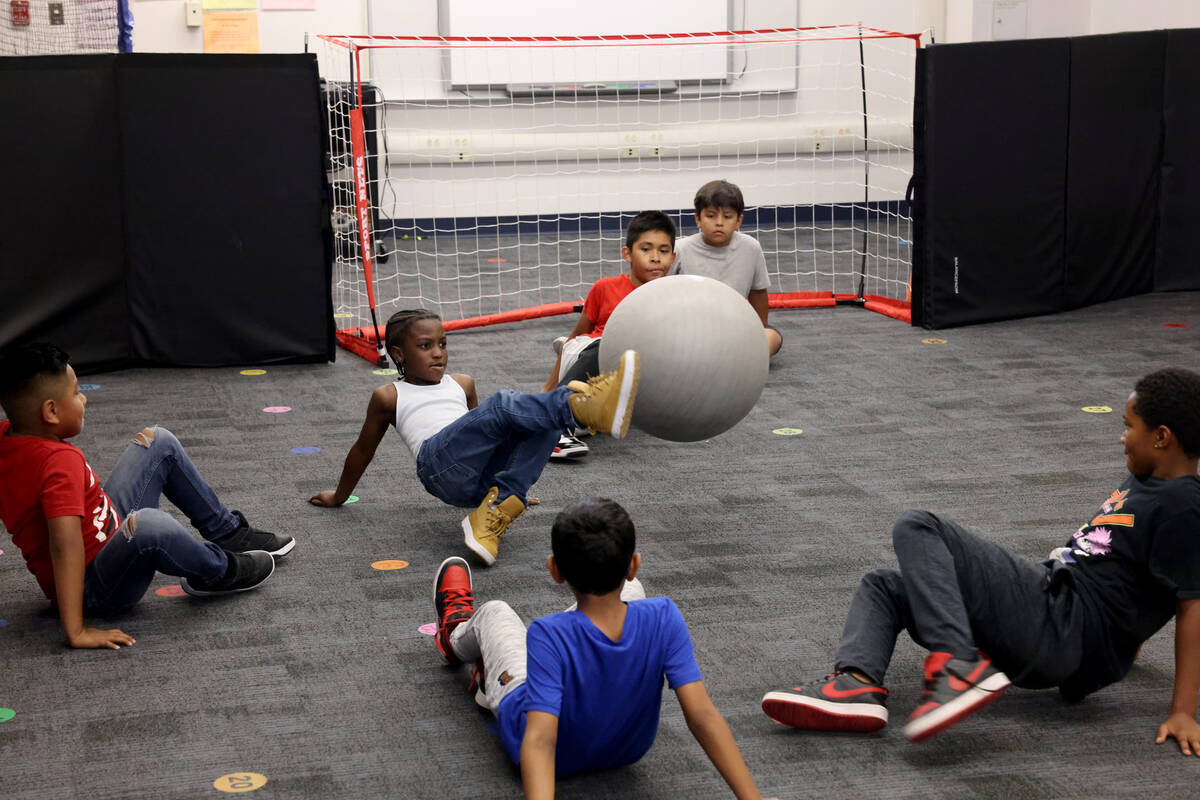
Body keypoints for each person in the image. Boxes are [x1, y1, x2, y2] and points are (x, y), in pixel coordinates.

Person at [761, 367, 1200, 753]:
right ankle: (856, 683)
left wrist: (1181, 711)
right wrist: (1127, 647)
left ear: (1161, 437)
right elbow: (1141, 580)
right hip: (1055, 617)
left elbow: (1190, 603)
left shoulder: (1185, 504)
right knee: (887, 586)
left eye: (1129, 427)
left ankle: (958, 663)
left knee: (919, 526)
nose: (1122, 436)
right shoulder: (1148, 481)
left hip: (1064, 624)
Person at [431, 497, 774, 798]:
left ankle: (454, 636)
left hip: (549, 751)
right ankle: (490, 676)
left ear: (555, 571)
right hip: (626, 749)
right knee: (634, 593)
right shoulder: (665, 615)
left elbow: (539, 740)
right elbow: (702, 715)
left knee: (496, 613)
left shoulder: (546, 634)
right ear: (633, 564)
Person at [0, 343, 290, 650]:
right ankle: (219, 571)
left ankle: (226, 531)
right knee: (149, 525)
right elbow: (64, 545)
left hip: (107, 530)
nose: (84, 398)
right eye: (75, 393)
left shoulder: (8, 435)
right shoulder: (57, 462)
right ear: (51, 411)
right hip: (97, 588)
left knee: (157, 441)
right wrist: (76, 631)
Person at [309, 310, 641, 566]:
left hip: (475, 481)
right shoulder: (388, 395)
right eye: (425, 346)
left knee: (536, 420)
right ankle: (583, 409)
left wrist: (515, 481)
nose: (438, 353)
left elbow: (489, 433)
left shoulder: (462, 382)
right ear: (398, 354)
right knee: (503, 405)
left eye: (442, 344)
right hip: (437, 466)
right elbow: (363, 450)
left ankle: (497, 506)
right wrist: (340, 496)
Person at [541, 210, 677, 461]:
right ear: (627, 253)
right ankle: (554, 426)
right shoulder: (605, 288)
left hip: (627, 378)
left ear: (673, 256)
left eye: (664, 250)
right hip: (594, 351)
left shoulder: (674, 298)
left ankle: (571, 422)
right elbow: (576, 337)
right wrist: (547, 390)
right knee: (607, 345)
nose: (655, 258)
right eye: (646, 249)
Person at [671, 179, 782, 357]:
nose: (719, 223)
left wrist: (759, 330)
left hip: (735, 326)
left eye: (728, 217)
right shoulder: (679, 249)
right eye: (711, 216)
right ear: (698, 219)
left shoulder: (751, 247)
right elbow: (660, 292)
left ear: (739, 221)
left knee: (772, 337)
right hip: (691, 327)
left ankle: (739, 355)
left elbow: (758, 292)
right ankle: (723, 356)